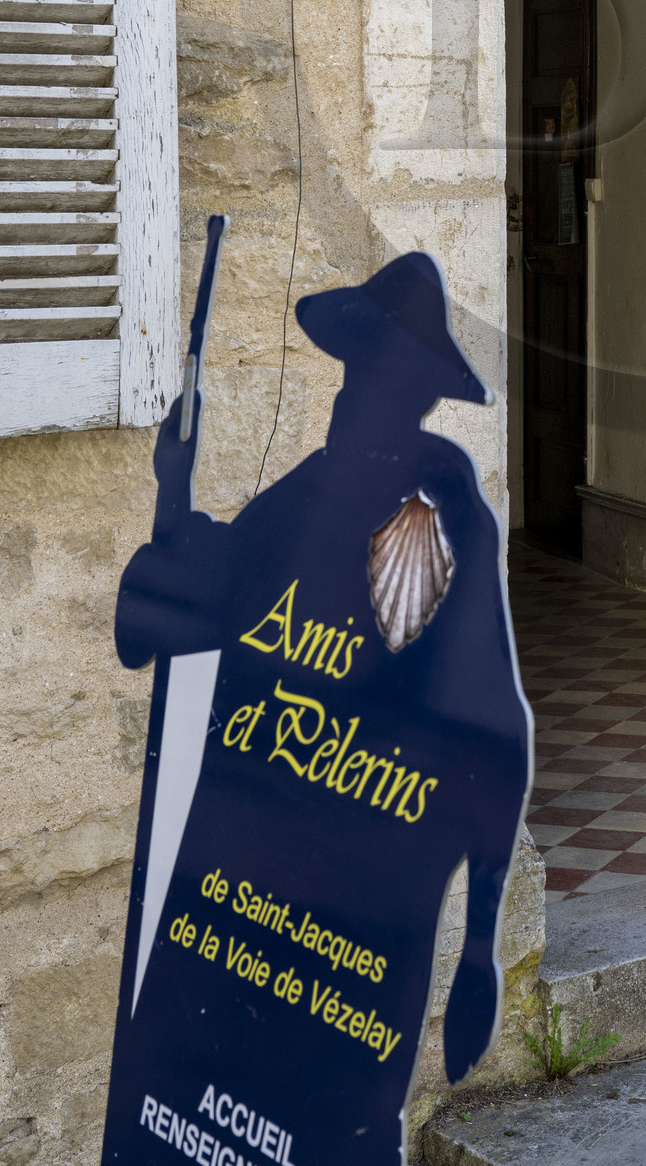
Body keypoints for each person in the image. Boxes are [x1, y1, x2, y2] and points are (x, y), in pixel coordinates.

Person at [102, 252, 532, 1166]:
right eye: (356, 370)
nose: (354, 395)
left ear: (409, 390)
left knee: (332, 1132)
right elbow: (196, 603)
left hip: (353, 935)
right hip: (236, 913)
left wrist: (481, 953)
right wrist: (172, 493)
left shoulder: (444, 502)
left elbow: (496, 734)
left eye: (378, 374)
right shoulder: (309, 491)